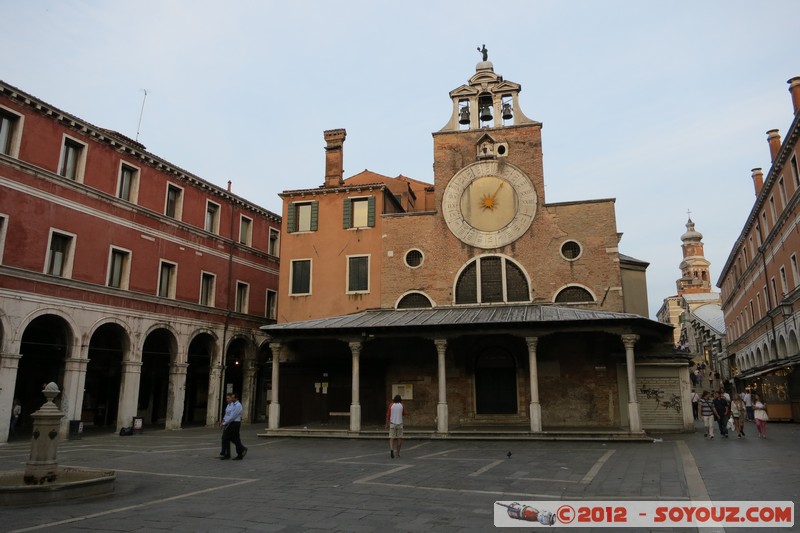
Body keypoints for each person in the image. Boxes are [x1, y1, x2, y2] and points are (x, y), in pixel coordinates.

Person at [219, 393, 247, 460]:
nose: (231, 399)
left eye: (232, 398)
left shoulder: (238, 405)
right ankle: (226, 453)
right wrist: (223, 421)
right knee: (225, 438)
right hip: (230, 423)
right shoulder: (231, 405)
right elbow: (227, 414)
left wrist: (224, 423)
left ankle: (240, 453)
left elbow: (233, 416)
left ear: (236, 398)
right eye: (230, 398)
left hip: (235, 423)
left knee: (236, 439)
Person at [386, 394, 405, 459]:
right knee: (399, 438)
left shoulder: (391, 405)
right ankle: (398, 453)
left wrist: (387, 424)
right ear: (400, 400)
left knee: (391, 438)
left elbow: (388, 415)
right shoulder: (402, 405)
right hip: (399, 424)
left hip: (392, 423)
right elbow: (403, 414)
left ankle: (391, 449)